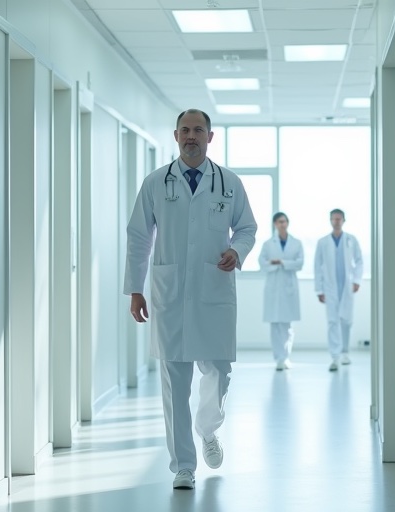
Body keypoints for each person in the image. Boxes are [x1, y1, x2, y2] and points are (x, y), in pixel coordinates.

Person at [123, 108, 257, 491]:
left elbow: (246, 227)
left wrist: (238, 250)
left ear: (210, 137)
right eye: (186, 130)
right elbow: (138, 237)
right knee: (174, 386)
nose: (192, 136)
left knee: (219, 375)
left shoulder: (228, 183)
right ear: (176, 136)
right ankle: (184, 465)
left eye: (199, 130)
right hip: (170, 297)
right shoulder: (155, 183)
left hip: (213, 292)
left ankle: (208, 428)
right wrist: (136, 288)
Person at [313, 208, 363, 371]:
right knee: (333, 321)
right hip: (330, 288)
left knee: (346, 321)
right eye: (334, 219)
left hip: (347, 286)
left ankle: (345, 352)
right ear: (330, 220)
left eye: (339, 219)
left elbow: (359, 261)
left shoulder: (351, 240)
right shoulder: (323, 242)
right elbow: (317, 267)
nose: (336, 221)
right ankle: (335, 357)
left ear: (343, 220)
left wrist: (356, 280)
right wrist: (319, 289)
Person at [258, 212, 304, 371]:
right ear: (274, 224)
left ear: (288, 223)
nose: (282, 224)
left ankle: (285, 357)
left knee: (287, 325)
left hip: (289, 287)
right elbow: (262, 264)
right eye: (279, 222)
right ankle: (278, 358)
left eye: (284, 221)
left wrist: (282, 262)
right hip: (273, 287)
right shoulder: (268, 244)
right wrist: (274, 264)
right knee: (275, 325)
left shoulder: (296, 243)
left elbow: (299, 263)